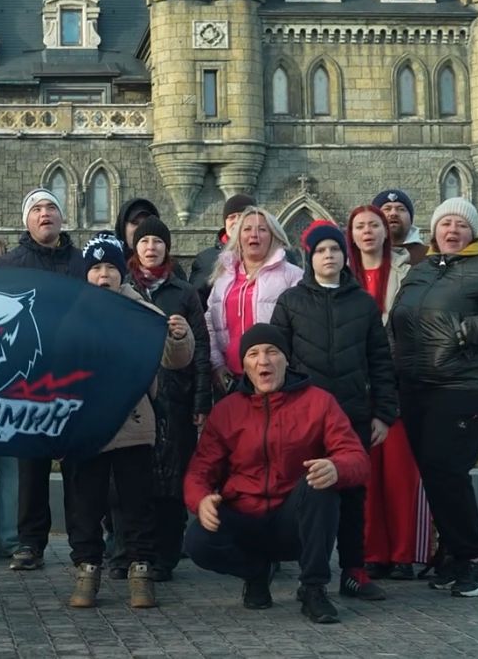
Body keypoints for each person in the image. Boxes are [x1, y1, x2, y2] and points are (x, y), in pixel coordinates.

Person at [388, 197, 478, 598]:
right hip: (416, 385)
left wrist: (467, 330)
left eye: (461, 226)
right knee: (434, 474)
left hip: (464, 384)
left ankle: (477, 558)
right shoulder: (421, 271)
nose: (452, 231)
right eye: (445, 224)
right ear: (434, 231)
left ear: (473, 233)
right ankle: (454, 552)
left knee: (447, 469)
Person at [183, 323, 369, 624]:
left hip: (294, 521)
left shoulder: (319, 401)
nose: (263, 361)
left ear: (286, 359)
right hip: (244, 517)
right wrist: (201, 499)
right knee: (197, 541)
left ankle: (313, 589)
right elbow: (199, 470)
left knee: (320, 482)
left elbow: (357, 458)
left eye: (272, 352)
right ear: (244, 365)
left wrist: (337, 467)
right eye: (254, 354)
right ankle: (256, 573)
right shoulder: (227, 410)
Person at [270, 220, 397, 602]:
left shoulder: (362, 303)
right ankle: (313, 575)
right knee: (309, 495)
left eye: (336, 250)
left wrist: (384, 413)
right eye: (322, 250)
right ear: (310, 257)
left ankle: (354, 571)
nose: (329, 256)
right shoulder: (291, 301)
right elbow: (279, 357)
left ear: (345, 257)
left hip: (353, 414)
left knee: (354, 495)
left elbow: (380, 360)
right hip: (304, 416)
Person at [64, 234, 193, 610]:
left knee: (137, 502)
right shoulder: (69, 313)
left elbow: (175, 360)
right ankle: (87, 567)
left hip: (134, 424)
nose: (103, 276)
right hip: (83, 426)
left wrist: (180, 338)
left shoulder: (143, 311)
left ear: (122, 272)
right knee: (84, 503)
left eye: (110, 268)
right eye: (95, 269)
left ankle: (141, 568)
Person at [0, 188, 87, 571]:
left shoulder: (83, 264)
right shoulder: (10, 265)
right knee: (31, 465)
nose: (45, 213)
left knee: (79, 466)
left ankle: (85, 544)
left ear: (62, 217)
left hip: (75, 377)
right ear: (27, 220)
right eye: (36, 208)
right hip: (28, 379)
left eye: (51, 207)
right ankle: (30, 543)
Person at [119, 215, 211, 582]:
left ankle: (166, 556)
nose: (151, 247)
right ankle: (130, 550)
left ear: (166, 248)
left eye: (157, 241)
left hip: (176, 396)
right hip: (134, 396)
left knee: (171, 481)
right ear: (135, 248)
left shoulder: (184, 292)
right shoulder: (124, 290)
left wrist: (202, 401)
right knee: (131, 478)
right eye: (144, 242)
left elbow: (201, 347)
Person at [345, 205, 429, 581]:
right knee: (367, 471)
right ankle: (372, 551)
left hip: (399, 381)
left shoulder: (409, 271)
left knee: (399, 471)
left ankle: (404, 553)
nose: (367, 232)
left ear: (385, 232)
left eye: (374, 225)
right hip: (356, 383)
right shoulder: (343, 274)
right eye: (360, 226)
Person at [205, 206, 303, 395]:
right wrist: (217, 364)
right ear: (238, 236)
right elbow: (209, 322)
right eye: (247, 229)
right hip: (231, 379)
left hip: (276, 379)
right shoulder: (223, 277)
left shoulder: (293, 276)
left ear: (273, 235)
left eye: (262, 229)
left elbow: (303, 329)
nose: (254, 235)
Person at [189, 194, 255, 303]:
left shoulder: (275, 255)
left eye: (242, 216)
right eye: (231, 217)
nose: (236, 221)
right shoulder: (206, 260)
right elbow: (196, 303)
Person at [373, 189, 427, 263]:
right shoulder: (362, 256)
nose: (393, 213)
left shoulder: (429, 257)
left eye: (401, 209)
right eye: (387, 209)